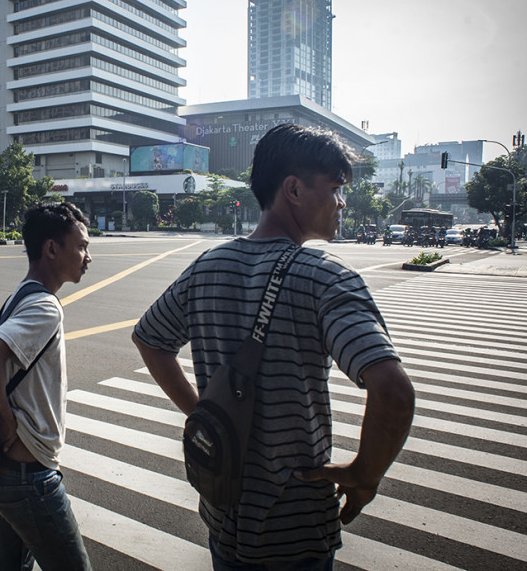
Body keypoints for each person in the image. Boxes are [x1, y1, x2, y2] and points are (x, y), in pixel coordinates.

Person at [132, 124, 415, 570]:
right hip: (295, 527)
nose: (343, 202)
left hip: (223, 509)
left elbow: (150, 339)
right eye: (337, 188)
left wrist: (202, 413)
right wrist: (365, 474)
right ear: (294, 190)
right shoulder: (326, 276)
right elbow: (394, 392)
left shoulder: (207, 266)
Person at [0, 202, 93, 571]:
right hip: (28, 479)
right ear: (51, 249)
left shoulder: (21, 295)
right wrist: (5, 418)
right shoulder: (45, 307)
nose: (88, 257)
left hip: (6, 473)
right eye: (82, 246)